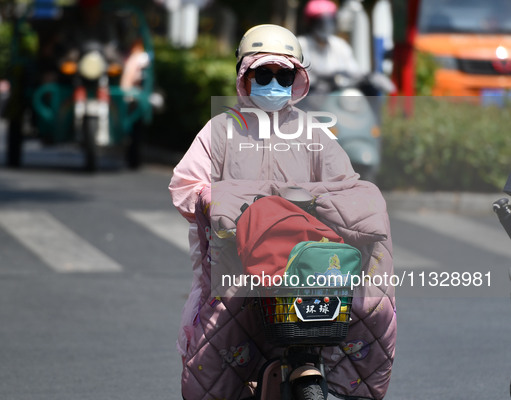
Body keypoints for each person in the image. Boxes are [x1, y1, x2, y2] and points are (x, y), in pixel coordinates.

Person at [169, 24, 396, 400]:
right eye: (264, 74)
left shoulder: (314, 132)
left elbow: (347, 185)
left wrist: (321, 202)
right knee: (218, 344)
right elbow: (185, 188)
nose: (274, 83)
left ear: (297, 79)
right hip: (238, 263)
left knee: (370, 308)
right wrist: (218, 202)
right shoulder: (220, 131)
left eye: (284, 74)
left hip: (305, 266)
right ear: (245, 76)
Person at [297, 0, 361, 88]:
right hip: (310, 95)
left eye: (330, 22)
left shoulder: (340, 45)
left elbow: (354, 72)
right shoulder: (300, 46)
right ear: (311, 23)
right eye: (321, 23)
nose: (327, 27)